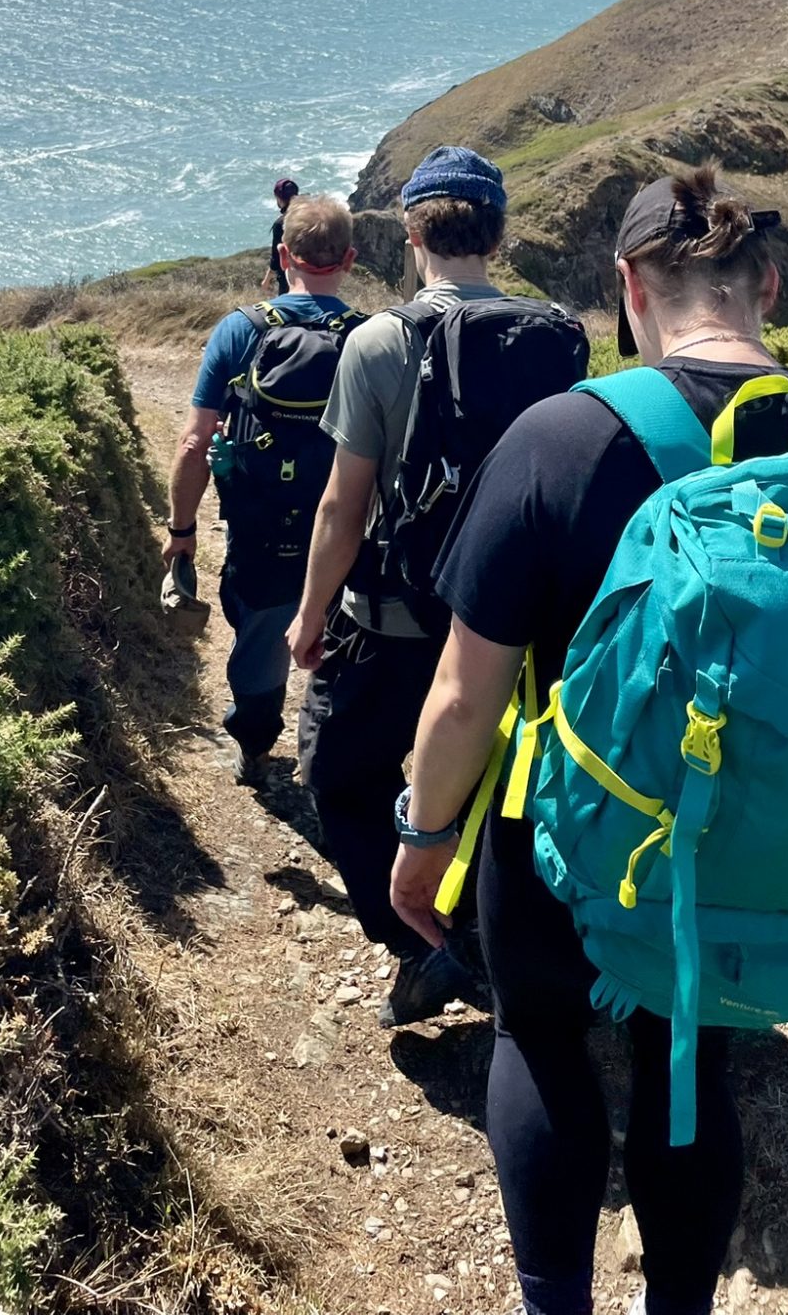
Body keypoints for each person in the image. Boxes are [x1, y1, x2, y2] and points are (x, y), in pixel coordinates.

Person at [390, 166, 788, 1315]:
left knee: (540, 1042)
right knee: (691, 1063)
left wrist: (424, 833)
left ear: (628, 287)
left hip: (564, 849)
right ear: (767, 285)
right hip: (764, 858)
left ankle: (557, 1302)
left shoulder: (559, 442)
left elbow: (462, 695)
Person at [286, 147, 512, 1029]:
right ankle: (487, 928)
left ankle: (423, 939)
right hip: (503, 624)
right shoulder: (555, 337)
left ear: (411, 233)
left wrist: (310, 617)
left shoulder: (379, 341)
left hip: (392, 623)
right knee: (494, 785)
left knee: (338, 773)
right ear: (495, 233)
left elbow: (344, 506)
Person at [165, 194, 360, 785]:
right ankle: (331, 763)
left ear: (283, 254)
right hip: (349, 528)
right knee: (347, 647)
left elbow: (193, 444)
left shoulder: (241, 331)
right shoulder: (373, 336)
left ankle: (254, 745)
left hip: (259, 529)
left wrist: (181, 530)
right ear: (349, 259)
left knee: (260, 640)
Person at [263, 177, 300, 290]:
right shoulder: (309, 217)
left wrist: (266, 280)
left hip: (289, 279)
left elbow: (276, 257)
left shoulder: (281, 223)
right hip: (314, 277)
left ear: (279, 198)